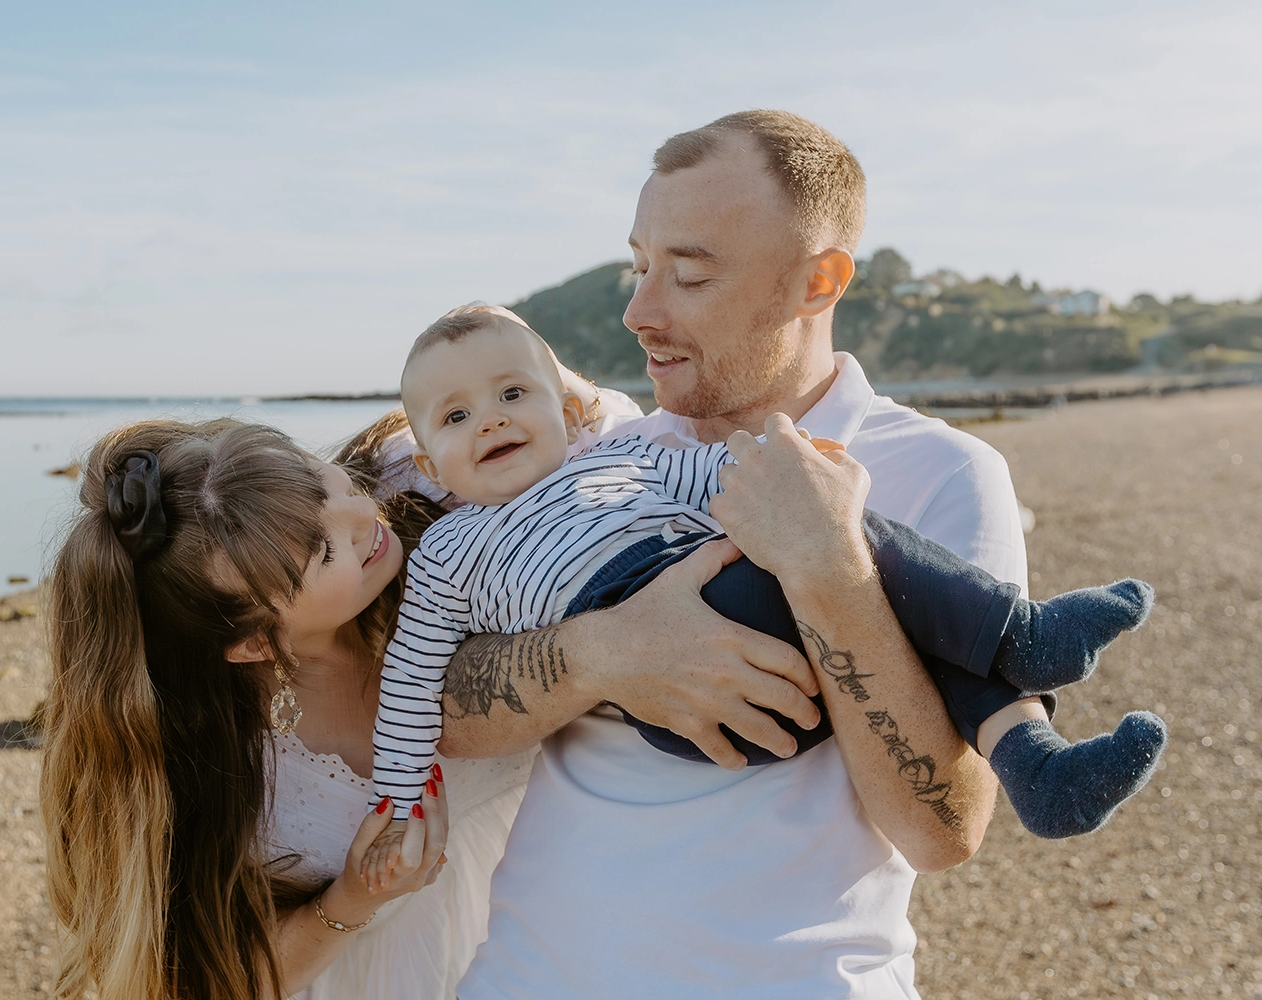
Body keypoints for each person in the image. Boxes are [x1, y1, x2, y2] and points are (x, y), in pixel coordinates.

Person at [414, 110, 1164, 998]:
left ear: (819, 281)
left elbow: (943, 829)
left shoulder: (939, 470)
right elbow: (445, 716)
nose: (638, 311)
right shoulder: (594, 466)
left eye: (688, 276)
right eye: (639, 265)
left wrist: (831, 572)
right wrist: (605, 652)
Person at [360, 303, 1163, 879]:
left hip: (764, 632)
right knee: (848, 546)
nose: (491, 421)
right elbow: (411, 681)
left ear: (568, 412)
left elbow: (733, 474)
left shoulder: (624, 460)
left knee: (833, 531)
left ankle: (1039, 767)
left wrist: (809, 495)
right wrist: (398, 798)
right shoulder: (446, 554)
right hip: (690, 713)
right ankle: (1021, 638)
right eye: (457, 416)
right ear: (430, 466)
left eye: (511, 395)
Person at [39, 417, 537, 1000]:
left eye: (322, 487)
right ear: (252, 643)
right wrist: (355, 896)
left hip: (555, 913)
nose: (362, 516)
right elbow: (205, 981)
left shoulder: (434, 479)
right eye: (324, 552)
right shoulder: (202, 769)